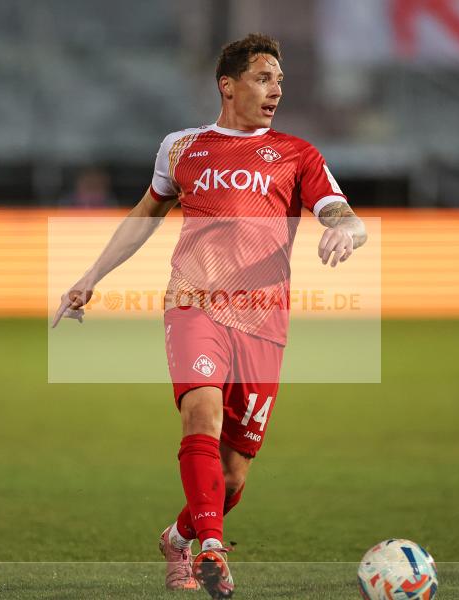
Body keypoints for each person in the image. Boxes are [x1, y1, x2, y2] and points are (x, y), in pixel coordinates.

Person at [52, 33, 366, 599]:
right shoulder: (181, 148)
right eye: (264, 79)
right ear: (228, 85)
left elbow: (338, 210)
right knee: (201, 413)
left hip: (263, 320)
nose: (276, 91)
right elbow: (146, 214)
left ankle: (178, 538)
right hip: (193, 304)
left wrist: (348, 229)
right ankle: (211, 550)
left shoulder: (297, 153)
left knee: (233, 477)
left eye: (280, 82)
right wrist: (91, 276)